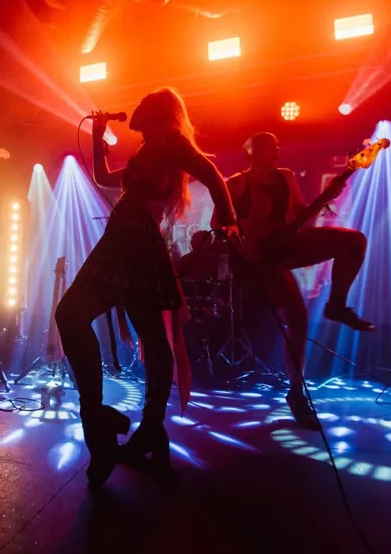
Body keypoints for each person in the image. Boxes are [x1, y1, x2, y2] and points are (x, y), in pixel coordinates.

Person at [55, 88, 239, 487]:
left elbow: (211, 173)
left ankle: (117, 422)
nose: (135, 106)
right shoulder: (149, 149)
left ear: (159, 112)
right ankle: (141, 427)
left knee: (80, 316)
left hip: (133, 238)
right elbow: (104, 178)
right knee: (151, 337)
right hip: (128, 237)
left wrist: (228, 219)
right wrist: (98, 137)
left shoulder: (172, 142)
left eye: (143, 103)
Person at [220, 132, 373, 428]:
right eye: (269, 145)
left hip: (288, 245)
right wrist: (242, 247)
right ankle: (296, 393)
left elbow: (301, 217)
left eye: (277, 145)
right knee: (298, 320)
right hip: (260, 259)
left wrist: (326, 198)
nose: (276, 149)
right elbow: (219, 223)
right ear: (251, 150)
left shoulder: (286, 176)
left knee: (354, 241)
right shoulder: (237, 183)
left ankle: (337, 305)